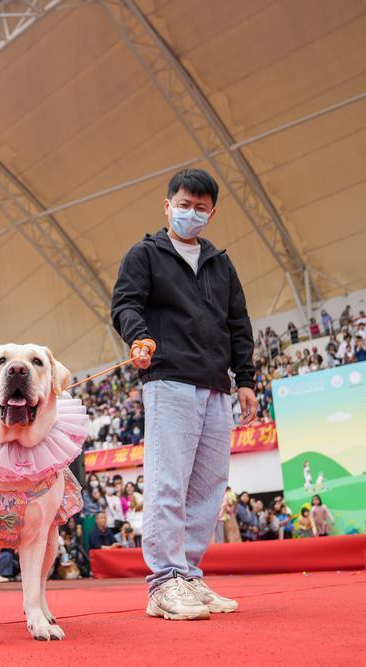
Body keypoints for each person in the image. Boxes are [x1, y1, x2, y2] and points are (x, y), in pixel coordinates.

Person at [111, 168, 253, 619]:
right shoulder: (146, 255)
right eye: (184, 204)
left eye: (200, 207)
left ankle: (189, 575)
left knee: (209, 486)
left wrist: (245, 379)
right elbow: (125, 304)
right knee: (168, 482)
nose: (191, 213)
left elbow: (238, 324)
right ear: (167, 205)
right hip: (169, 378)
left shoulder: (220, 263)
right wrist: (138, 338)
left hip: (216, 385)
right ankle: (163, 583)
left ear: (212, 213)